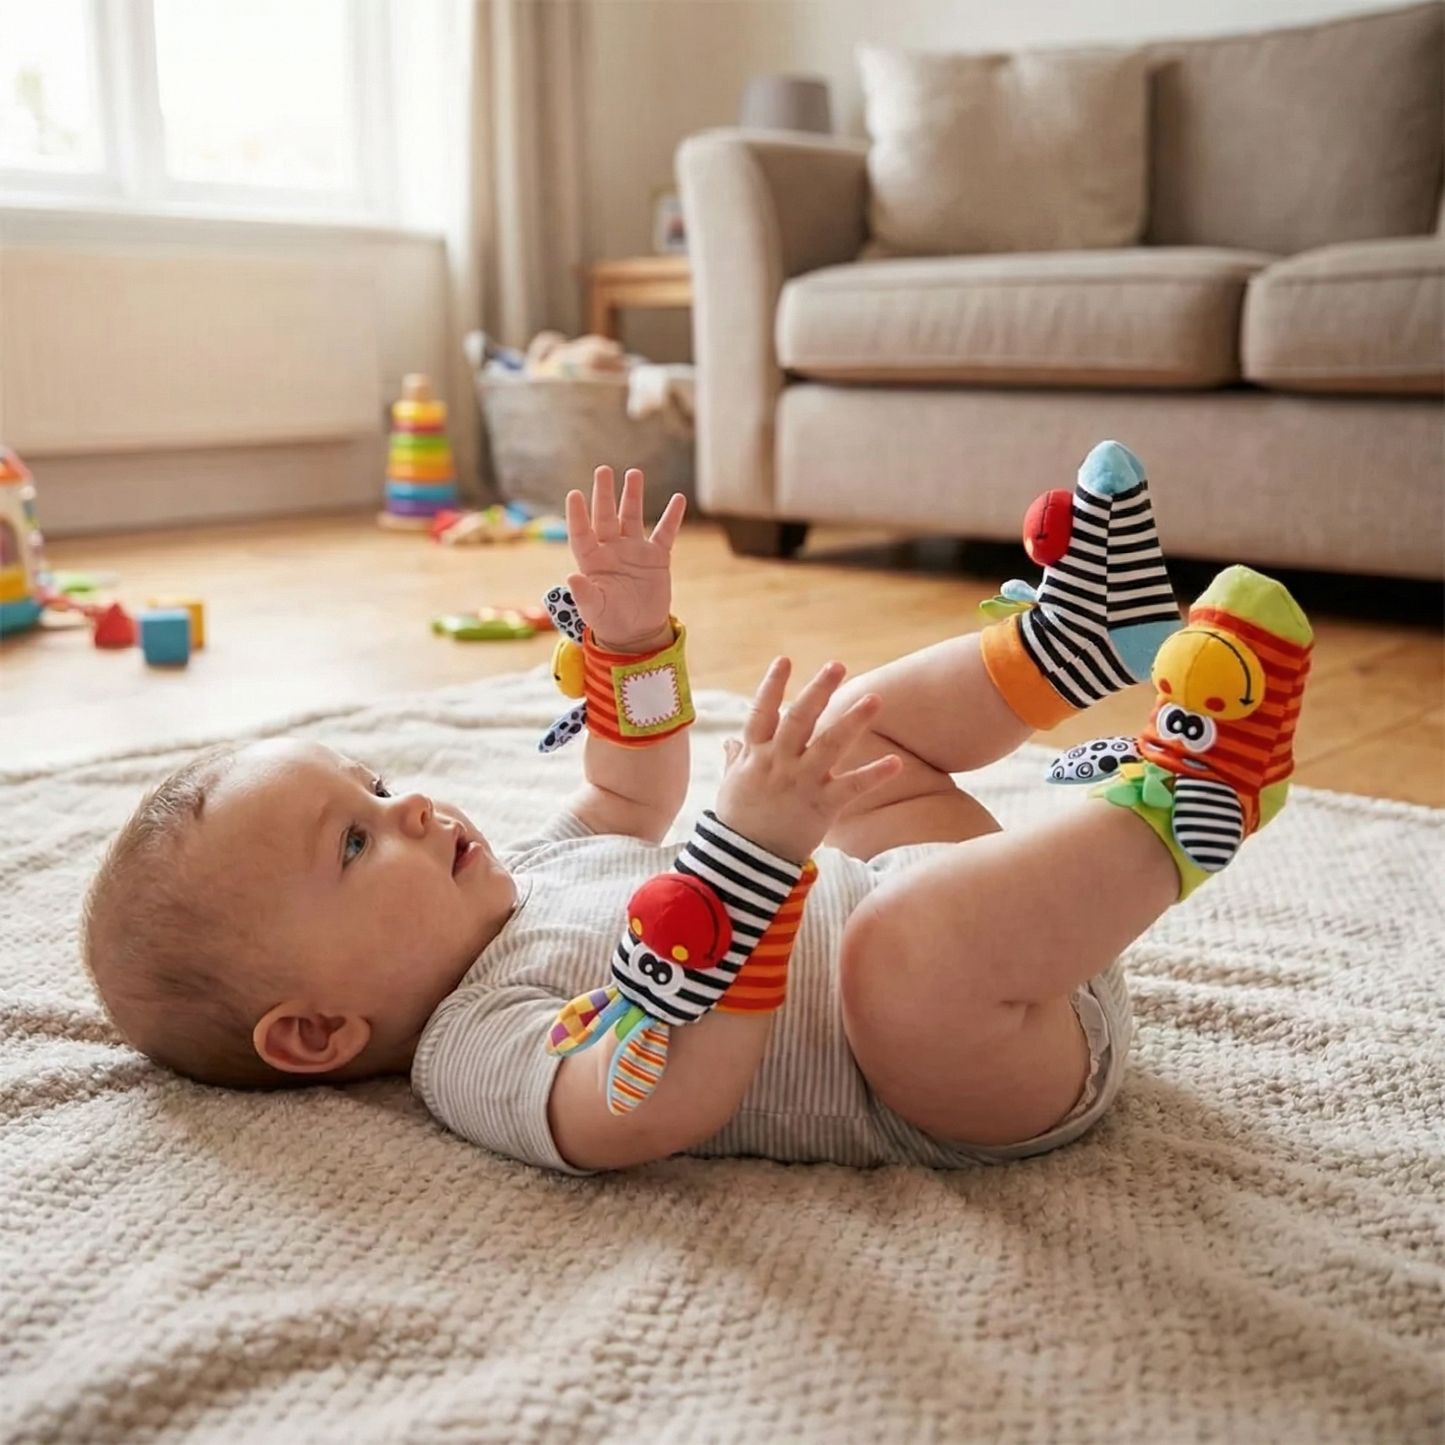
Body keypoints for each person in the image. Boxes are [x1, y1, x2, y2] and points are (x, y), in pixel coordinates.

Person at [82, 444, 1313, 1173]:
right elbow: (655, 1098)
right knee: (894, 950)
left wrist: (629, 641)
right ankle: (1191, 799)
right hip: (981, 1061)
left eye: (380, 786)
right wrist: (753, 853)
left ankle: (1075, 636)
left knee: (852, 739)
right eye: (352, 839)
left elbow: (633, 781)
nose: (410, 809)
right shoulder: (474, 1053)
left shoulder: (534, 876)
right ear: (315, 1030)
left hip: (1002, 925)